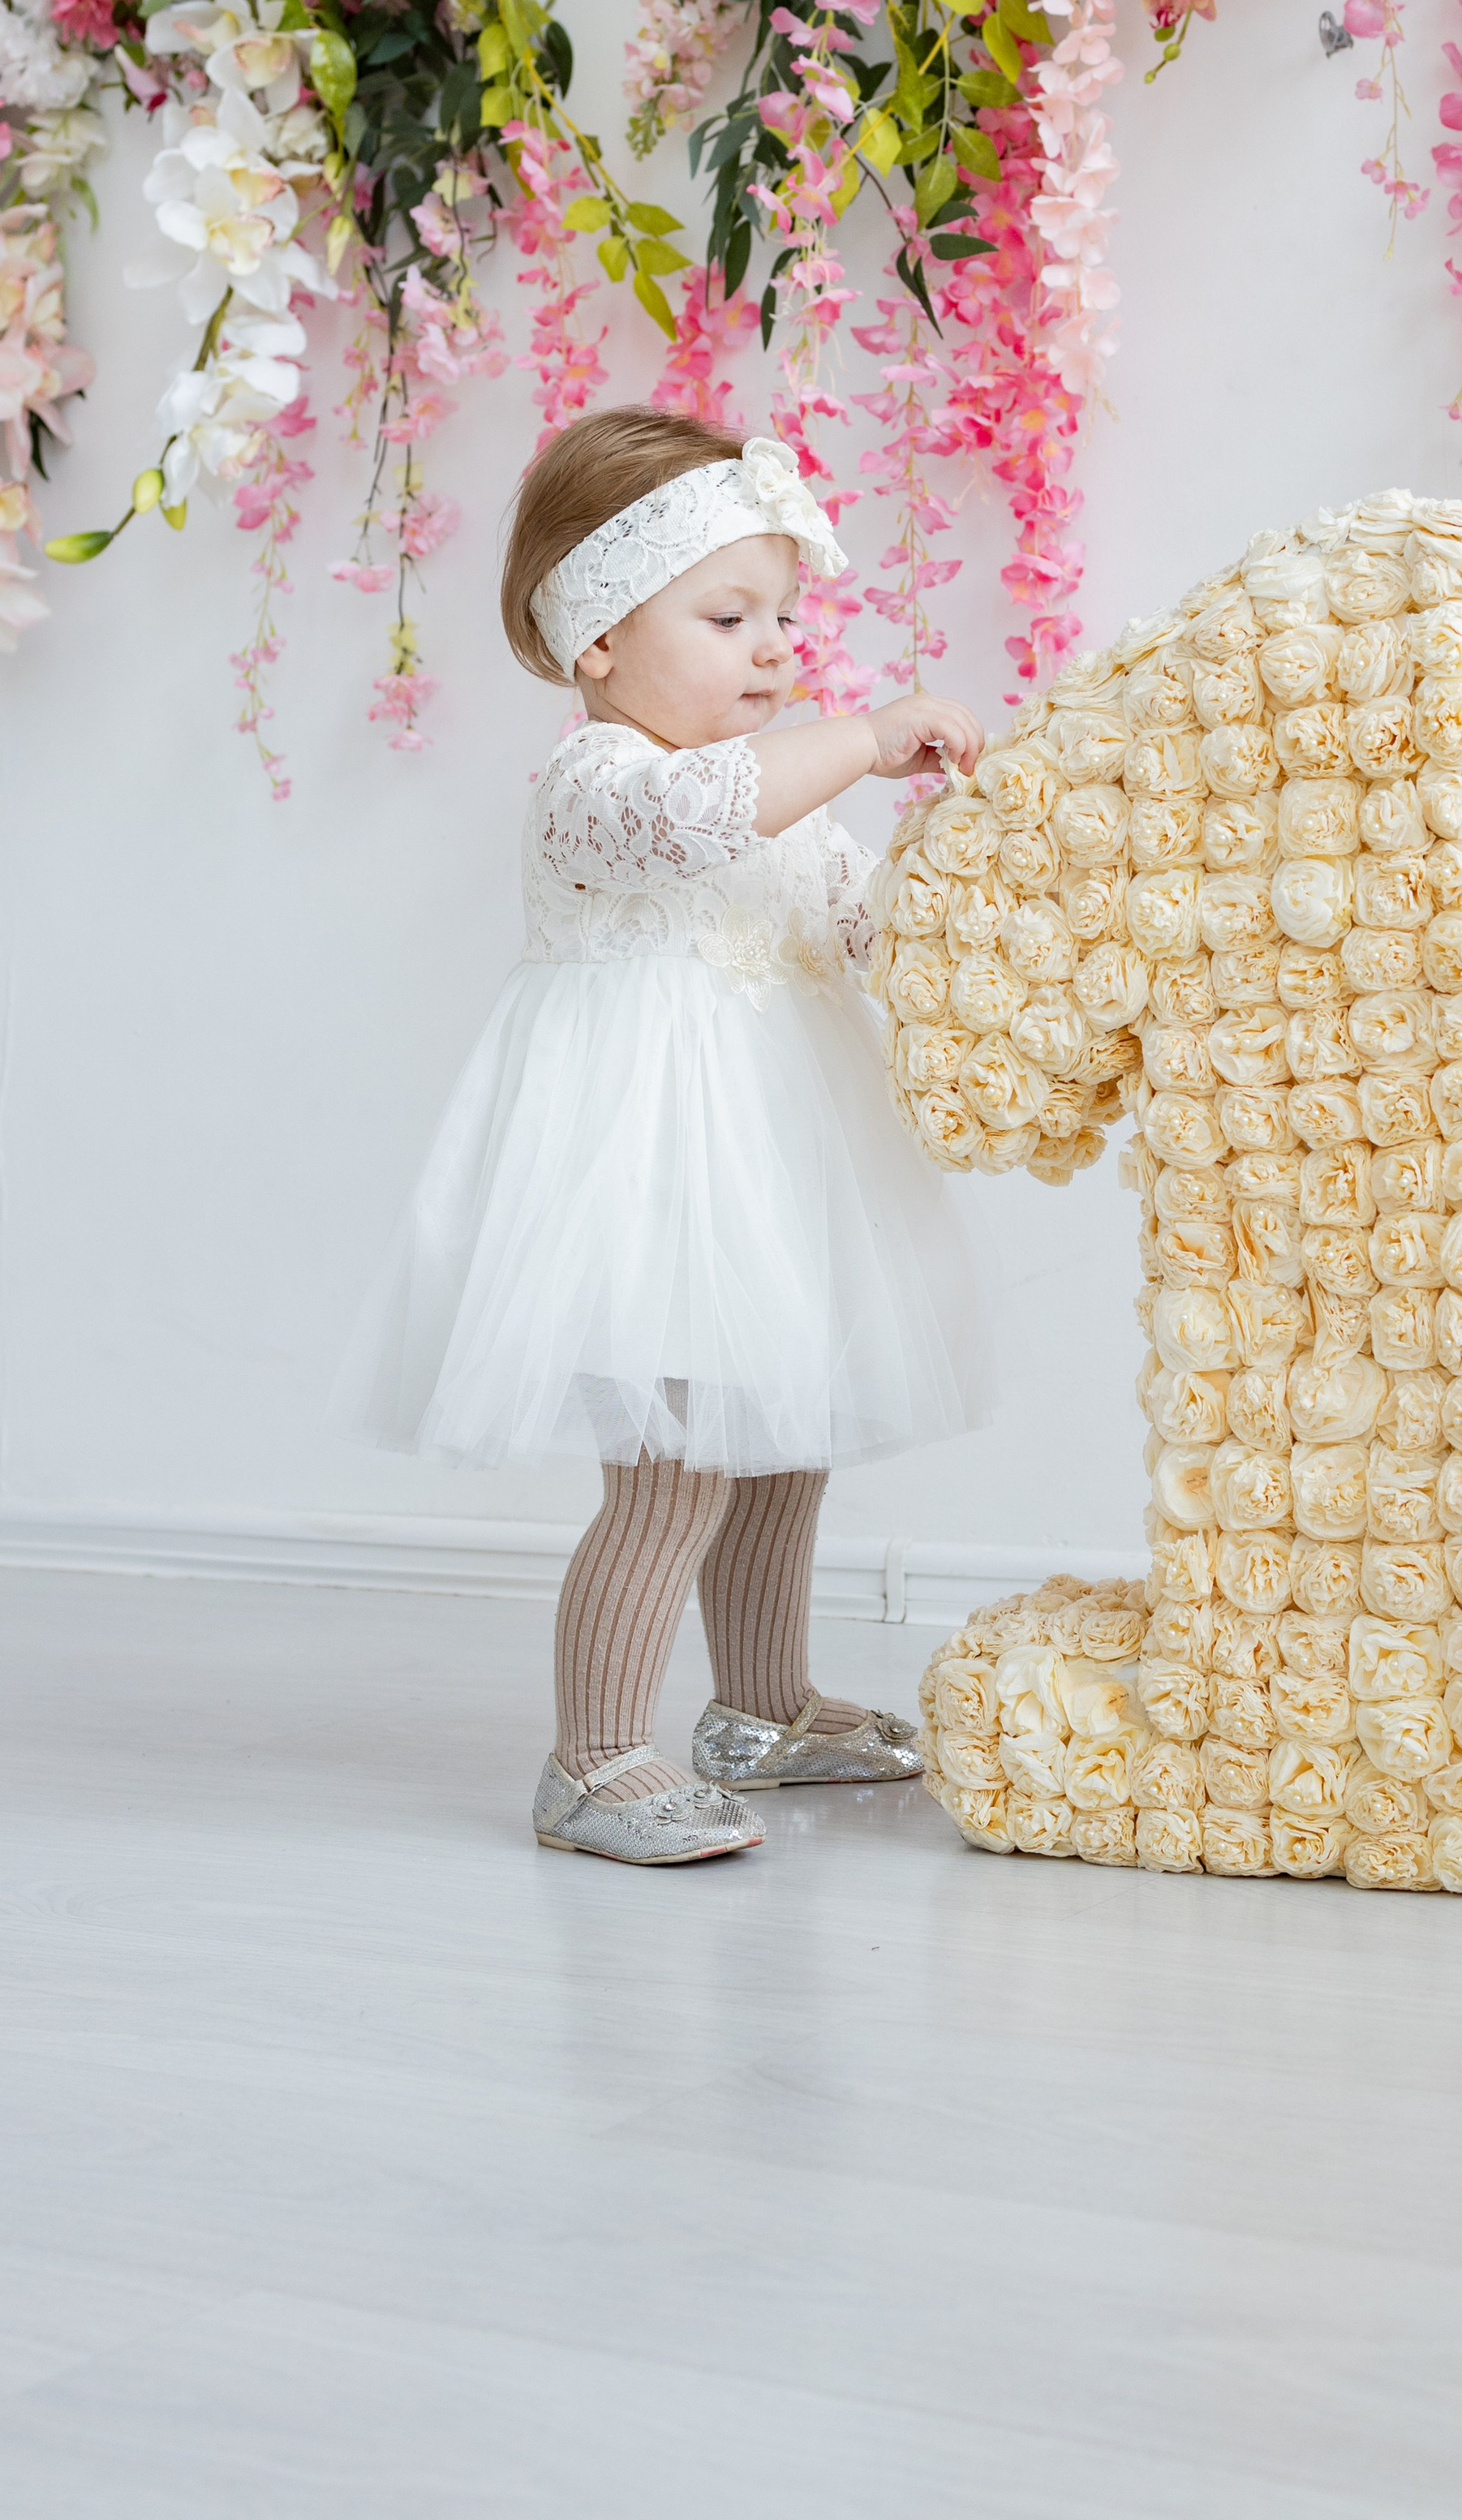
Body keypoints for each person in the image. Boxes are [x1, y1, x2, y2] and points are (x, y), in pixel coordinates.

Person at [340, 410, 990, 1866]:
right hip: (650, 1184)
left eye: (785, 619)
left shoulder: (795, 811)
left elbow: (877, 932)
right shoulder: (602, 784)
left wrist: (963, 848)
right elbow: (704, 818)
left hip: (782, 1177)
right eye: (728, 618)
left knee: (784, 1441)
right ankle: (592, 1762)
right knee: (676, 1463)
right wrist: (865, 738)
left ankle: (763, 1710)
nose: (774, 651)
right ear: (596, 642)